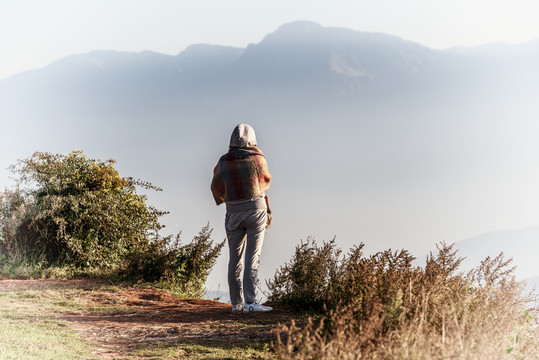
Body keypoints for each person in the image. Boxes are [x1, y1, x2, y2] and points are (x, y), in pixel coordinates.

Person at [211, 124, 273, 312]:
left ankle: (236, 303)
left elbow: (216, 186)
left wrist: (230, 199)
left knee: (234, 259)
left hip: (233, 213)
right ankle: (251, 303)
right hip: (256, 210)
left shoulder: (223, 161)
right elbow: (265, 180)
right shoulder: (258, 158)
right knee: (252, 258)